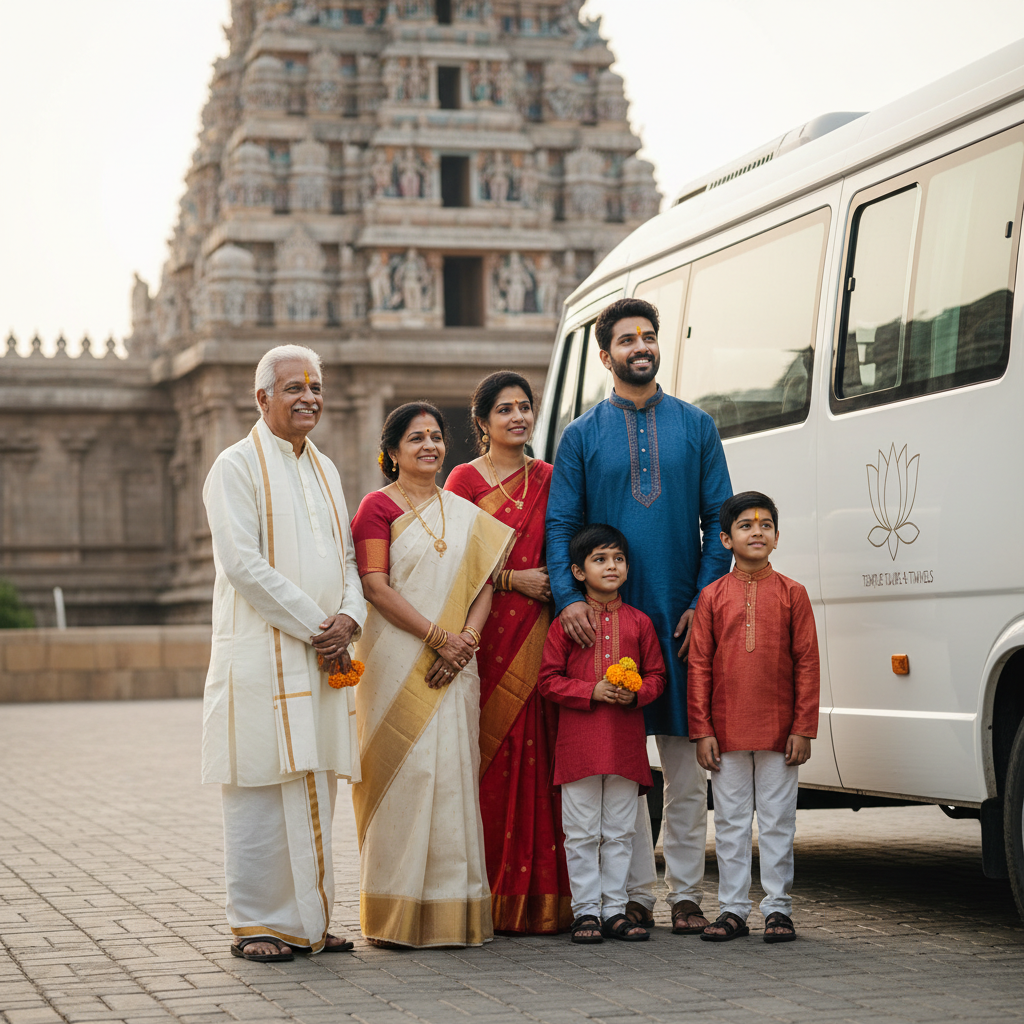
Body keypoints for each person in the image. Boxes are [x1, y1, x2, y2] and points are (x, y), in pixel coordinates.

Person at [546, 297, 733, 934]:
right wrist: (570, 600)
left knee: (683, 766)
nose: (640, 347)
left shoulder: (697, 426)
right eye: (626, 340)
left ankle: (684, 893)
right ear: (606, 356)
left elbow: (720, 522)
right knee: (620, 769)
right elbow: (561, 525)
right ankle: (632, 898)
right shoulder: (581, 436)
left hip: (679, 622)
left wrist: (702, 603)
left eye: (648, 337)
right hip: (606, 626)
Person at [201, 344, 365, 962]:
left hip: (321, 652)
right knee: (260, 788)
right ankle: (257, 924)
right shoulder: (234, 466)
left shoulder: (325, 469)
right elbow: (242, 564)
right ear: (261, 397)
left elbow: (347, 558)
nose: (309, 398)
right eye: (294, 388)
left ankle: (311, 921)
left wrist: (351, 615)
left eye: (316, 387)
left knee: (314, 783)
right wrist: (318, 623)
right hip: (263, 655)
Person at [350, 402, 514, 948]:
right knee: (406, 777)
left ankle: (454, 912)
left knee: (452, 778)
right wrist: (437, 637)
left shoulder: (462, 511)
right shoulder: (376, 508)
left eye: (437, 437)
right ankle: (394, 917)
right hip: (398, 659)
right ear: (392, 452)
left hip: (456, 665)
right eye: (416, 438)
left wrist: (465, 640)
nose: (430, 446)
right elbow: (375, 586)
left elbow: (484, 583)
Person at [444, 371, 572, 935]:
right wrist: (511, 580)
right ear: (482, 421)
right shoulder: (464, 480)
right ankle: (491, 895)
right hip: (487, 632)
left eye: (525, 408)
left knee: (542, 757)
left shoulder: (551, 476)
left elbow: (567, 543)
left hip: (545, 632)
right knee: (491, 758)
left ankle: (548, 897)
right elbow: (444, 555)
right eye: (504, 410)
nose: (517, 417)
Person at [687, 492, 820, 943]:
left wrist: (803, 727)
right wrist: (701, 730)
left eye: (766, 525)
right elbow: (700, 666)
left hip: (781, 731)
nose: (757, 532)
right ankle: (732, 910)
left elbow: (807, 662)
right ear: (725, 539)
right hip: (724, 732)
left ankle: (778, 909)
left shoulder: (793, 594)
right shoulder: (710, 596)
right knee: (729, 822)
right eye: (746, 525)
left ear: (777, 537)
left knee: (779, 820)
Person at [538, 524, 665, 943]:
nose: (611, 566)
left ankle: (614, 910)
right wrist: (590, 690)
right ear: (577, 571)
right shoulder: (567, 624)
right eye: (600, 559)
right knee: (581, 834)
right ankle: (585, 912)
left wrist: (639, 694)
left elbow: (658, 677)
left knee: (620, 833)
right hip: (579, 746)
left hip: (625, 745)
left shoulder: (639, 622)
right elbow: (548, 681)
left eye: (618, 559)